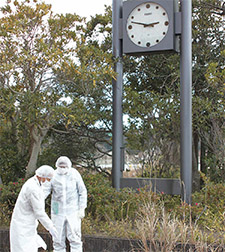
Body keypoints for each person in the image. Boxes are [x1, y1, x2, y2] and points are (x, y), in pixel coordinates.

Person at [10, 165, 58, 252]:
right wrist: (50, 227)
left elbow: (41, 197)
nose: (48, 181)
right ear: (43, 176)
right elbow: (39, 212)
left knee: (36, 246)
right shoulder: (32, 188)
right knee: (24, 249)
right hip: (22, 226)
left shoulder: (36, 183)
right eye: (47, 179)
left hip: (28, 225)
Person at [43, 156, 87, 252]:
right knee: (57, 238)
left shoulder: (74, 174)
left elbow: (82, 191)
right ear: (57, 166)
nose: (62, 169)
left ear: (69, 166)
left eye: (64, 166)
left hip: (73, 210)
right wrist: (37, 201)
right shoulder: (53, 175)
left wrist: (82, 208)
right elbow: (45, 190)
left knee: (75, 236)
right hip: (57, 210)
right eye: (61, 166)